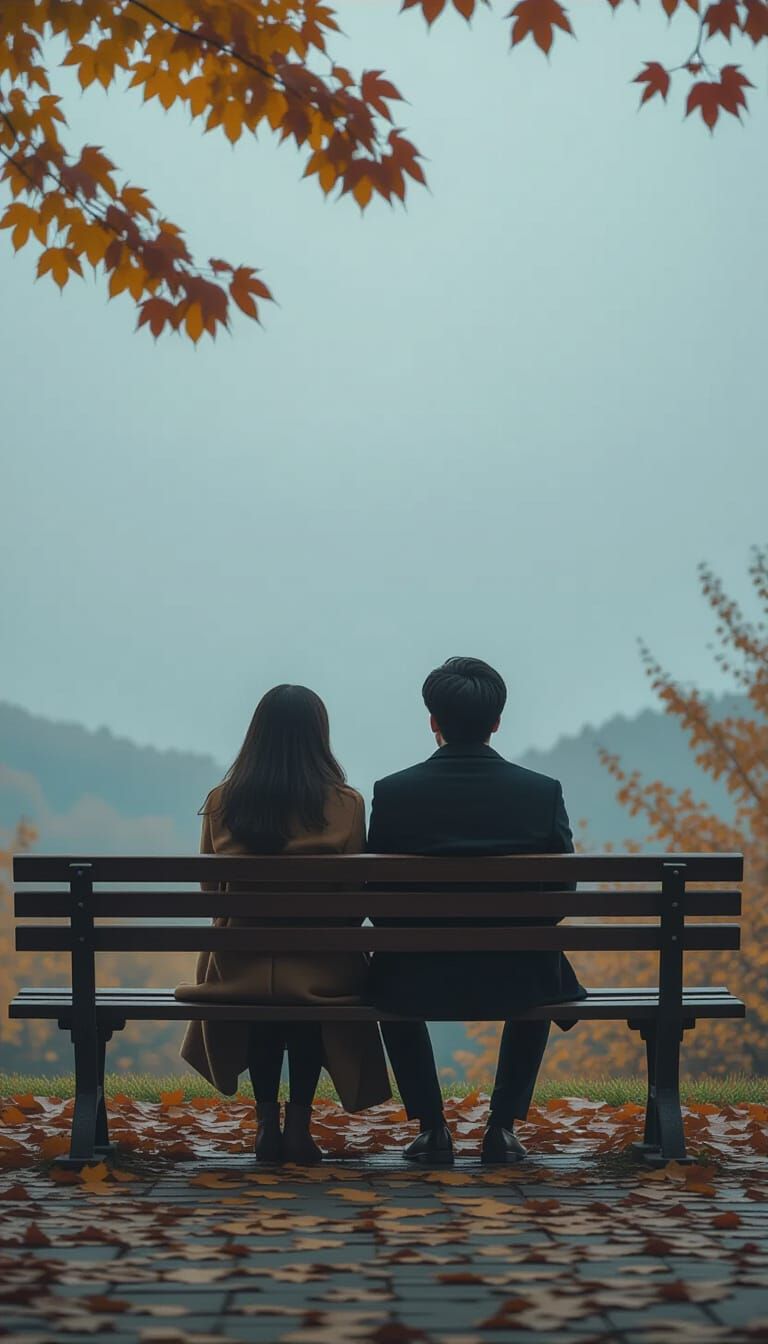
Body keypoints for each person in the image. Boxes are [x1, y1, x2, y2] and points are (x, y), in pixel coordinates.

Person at [368, 656, 586, 1166]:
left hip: (414, 975)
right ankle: (503, 1128)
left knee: (385, 965)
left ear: (433, 721)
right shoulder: (540, 792)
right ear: (496, 722)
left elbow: (375, 898)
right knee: (541, 953)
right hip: (519, 974)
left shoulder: (394, 793)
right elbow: (563, 890)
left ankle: (431, 1127)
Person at [175, 685, 391, 1165]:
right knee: (304, 996)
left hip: (237, 971)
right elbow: (353, 902)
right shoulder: (346, 804)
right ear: (319, 736)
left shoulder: (221, 801)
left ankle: (266, 1124)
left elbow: (213, 899)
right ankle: (299, 1125)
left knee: (268, 998)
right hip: (322, 973)